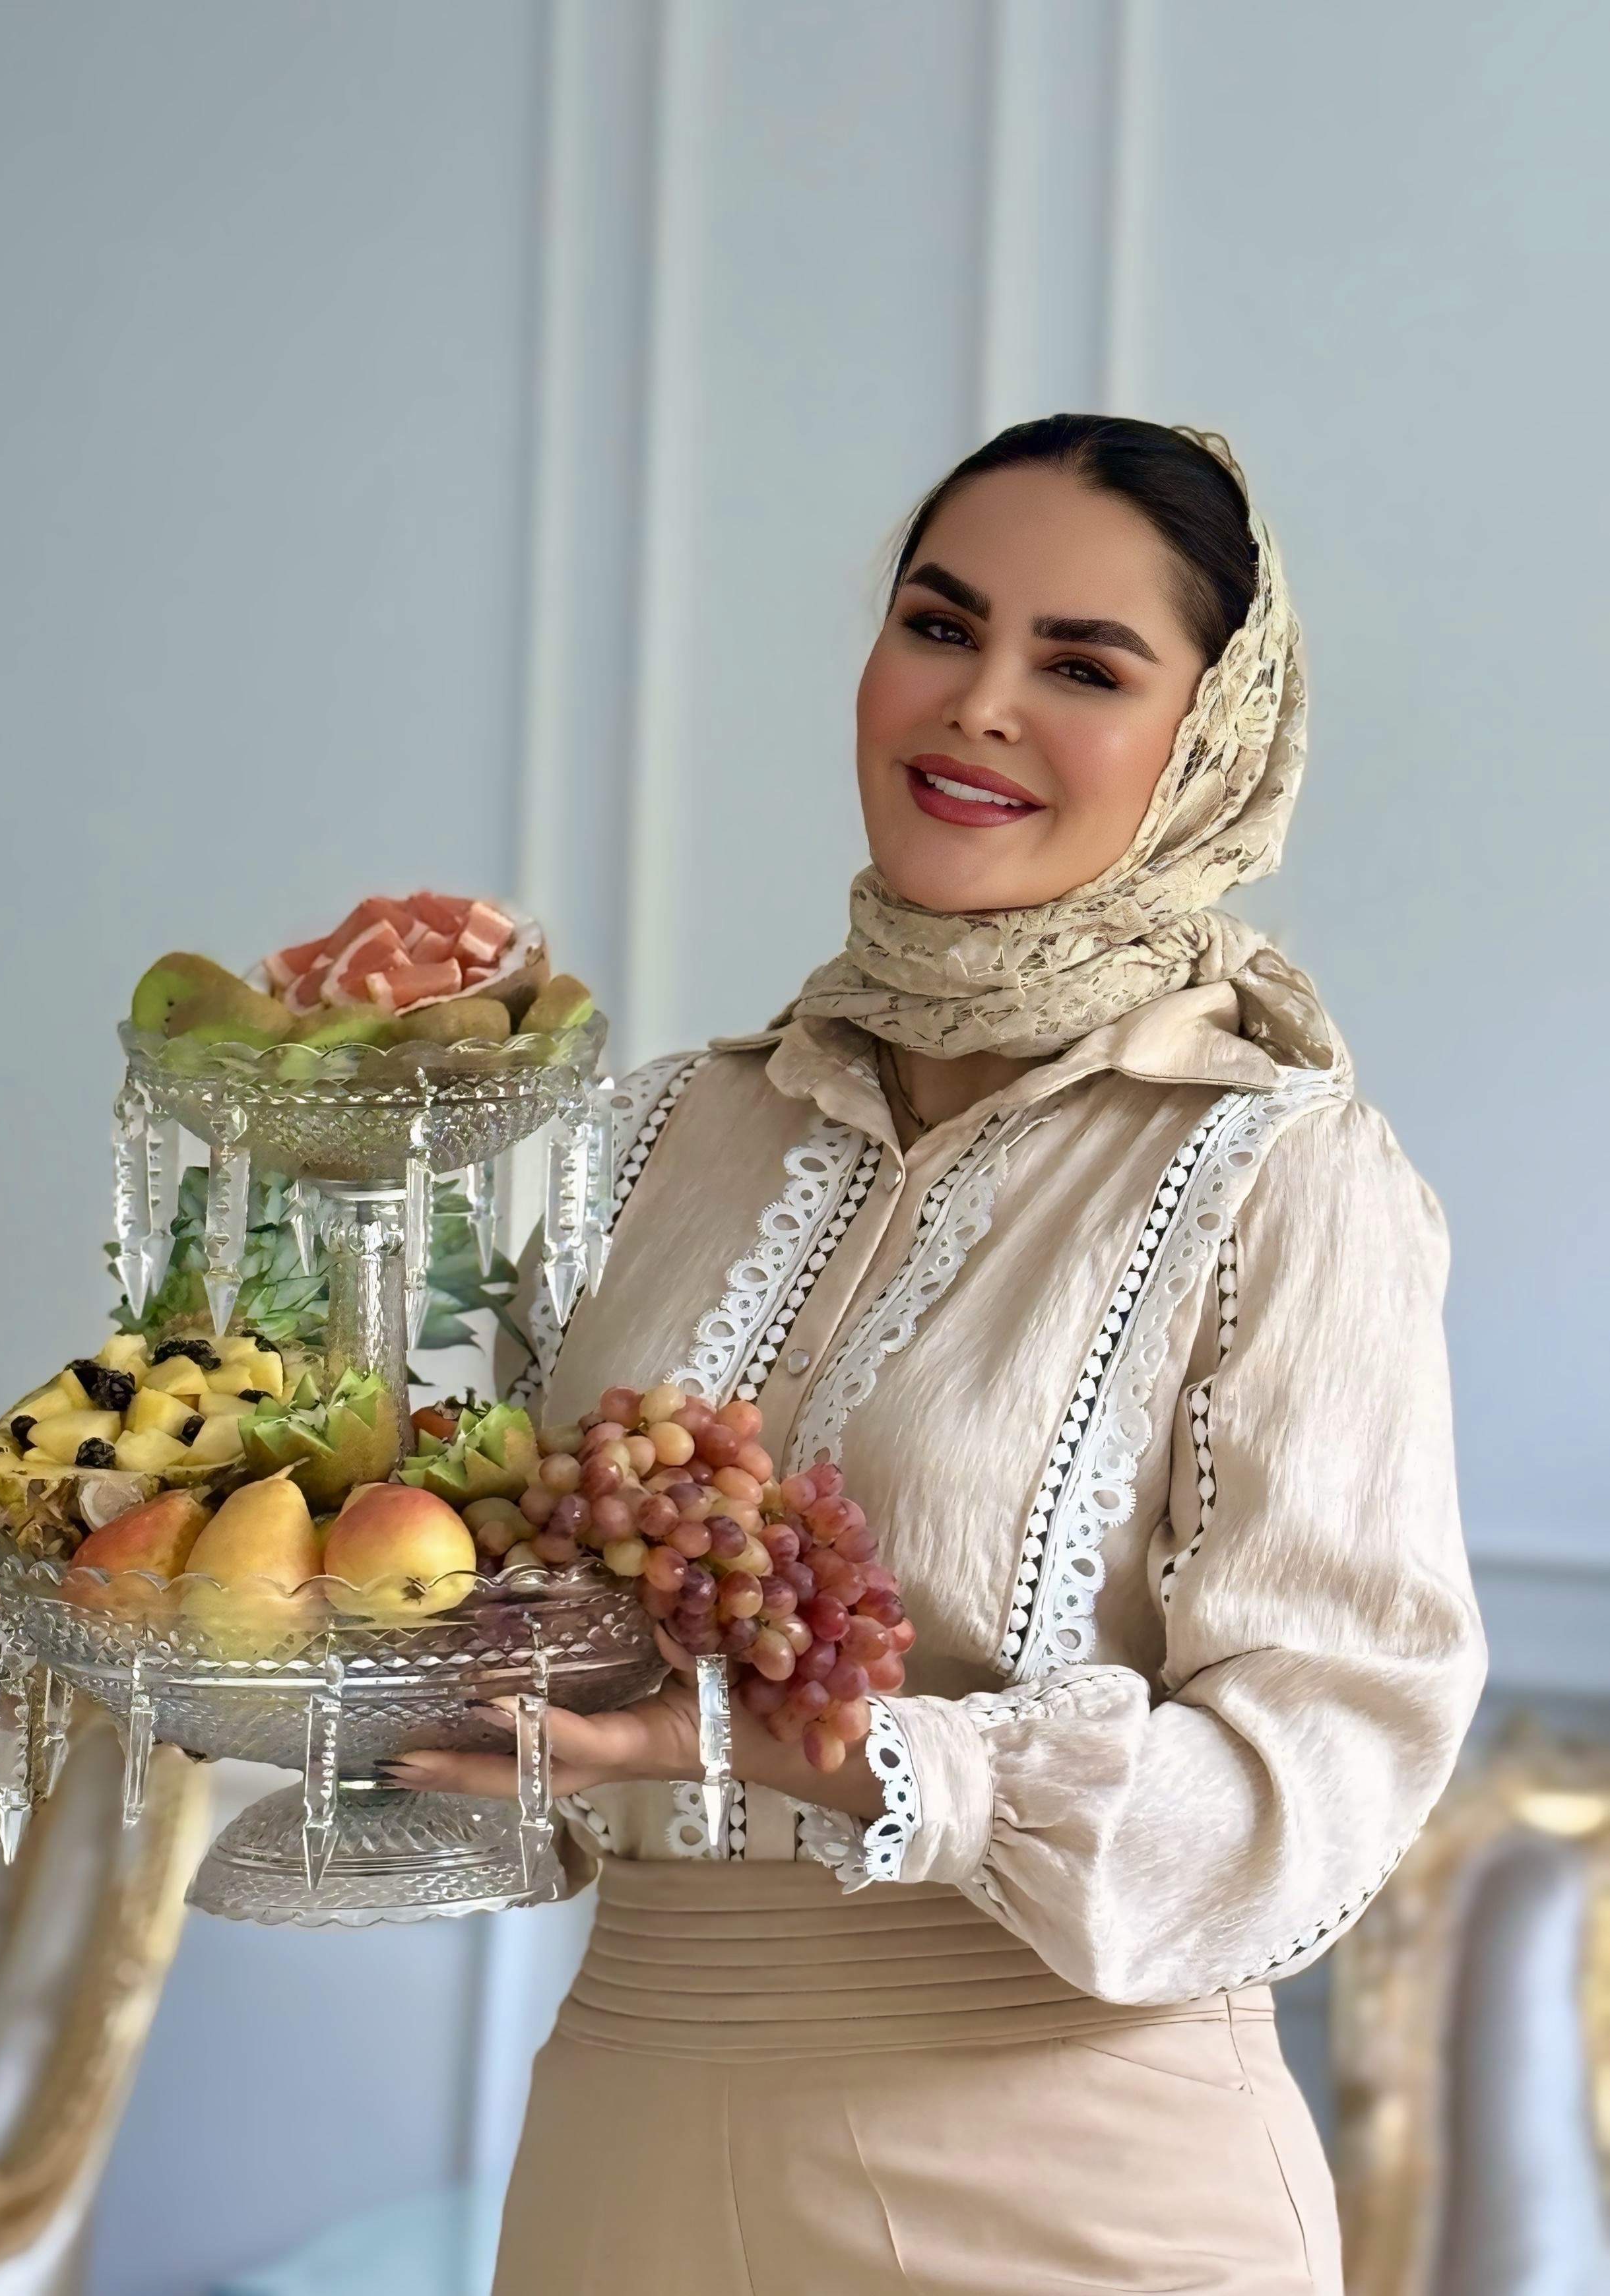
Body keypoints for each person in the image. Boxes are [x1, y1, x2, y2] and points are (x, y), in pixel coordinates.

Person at [386, 415, 1486, 2295]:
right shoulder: (663, 1137)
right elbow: (468, 1616)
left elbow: (1319, 1777)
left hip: (1075, 2189)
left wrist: (853, 1756)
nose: (978, 703)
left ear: (1206, 743)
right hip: (623, 2158)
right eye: (940, 625)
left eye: (1083, 666)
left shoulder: (1279, 1174)